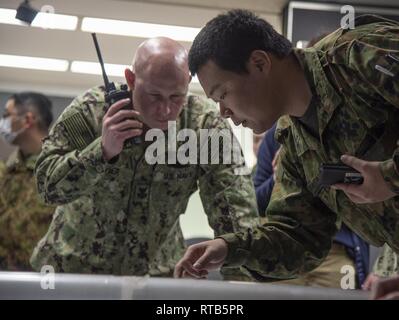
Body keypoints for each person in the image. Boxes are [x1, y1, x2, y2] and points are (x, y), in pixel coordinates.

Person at [174, 10, 399, 283]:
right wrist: (230, 248)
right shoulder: (294, 141)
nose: (223, 112)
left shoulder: (356, 56)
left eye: (223, 95)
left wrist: (390, 177)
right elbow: (299, 236)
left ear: (259, 63)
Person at [31, 37, 258, 277]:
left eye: (176, 97)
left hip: (154, 274)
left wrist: (240, 286)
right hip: (75, 270)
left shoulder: (203, 125)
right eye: (154, 96)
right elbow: (47, 188)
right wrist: (102, 152)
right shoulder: (91, 111)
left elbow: (236, 212)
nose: (165, 110)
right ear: (131, 80)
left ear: (188, 83)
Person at [254, 123, 369, 288]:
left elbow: (368, 194)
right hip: (286, 251)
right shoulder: (276, 135)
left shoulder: (345, 122)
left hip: (336, 251)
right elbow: (257, 202)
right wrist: (277, 177)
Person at [0, 92, 54, 270]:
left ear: (28, 120)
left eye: (7, 116)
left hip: (43, 279)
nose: (3, 123)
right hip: (7, 275)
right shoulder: (9, 169)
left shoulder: (59, 169)